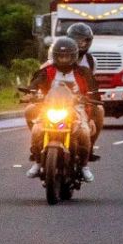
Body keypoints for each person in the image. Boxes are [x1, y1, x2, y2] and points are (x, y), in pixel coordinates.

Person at [24, 36, 103, 181]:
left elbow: (94, 94)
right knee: (36, 130)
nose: (64, 59)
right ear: (55, 55)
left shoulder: (84, 72)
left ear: (74, 56)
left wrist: (91, 115)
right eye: (61, 56)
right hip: (49, 107)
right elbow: (34, 84)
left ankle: (84, 166)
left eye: (67, 56)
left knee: (84, 132)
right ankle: (37, 162)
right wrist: (31, 93)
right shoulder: (46, 71)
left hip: (76, 108)